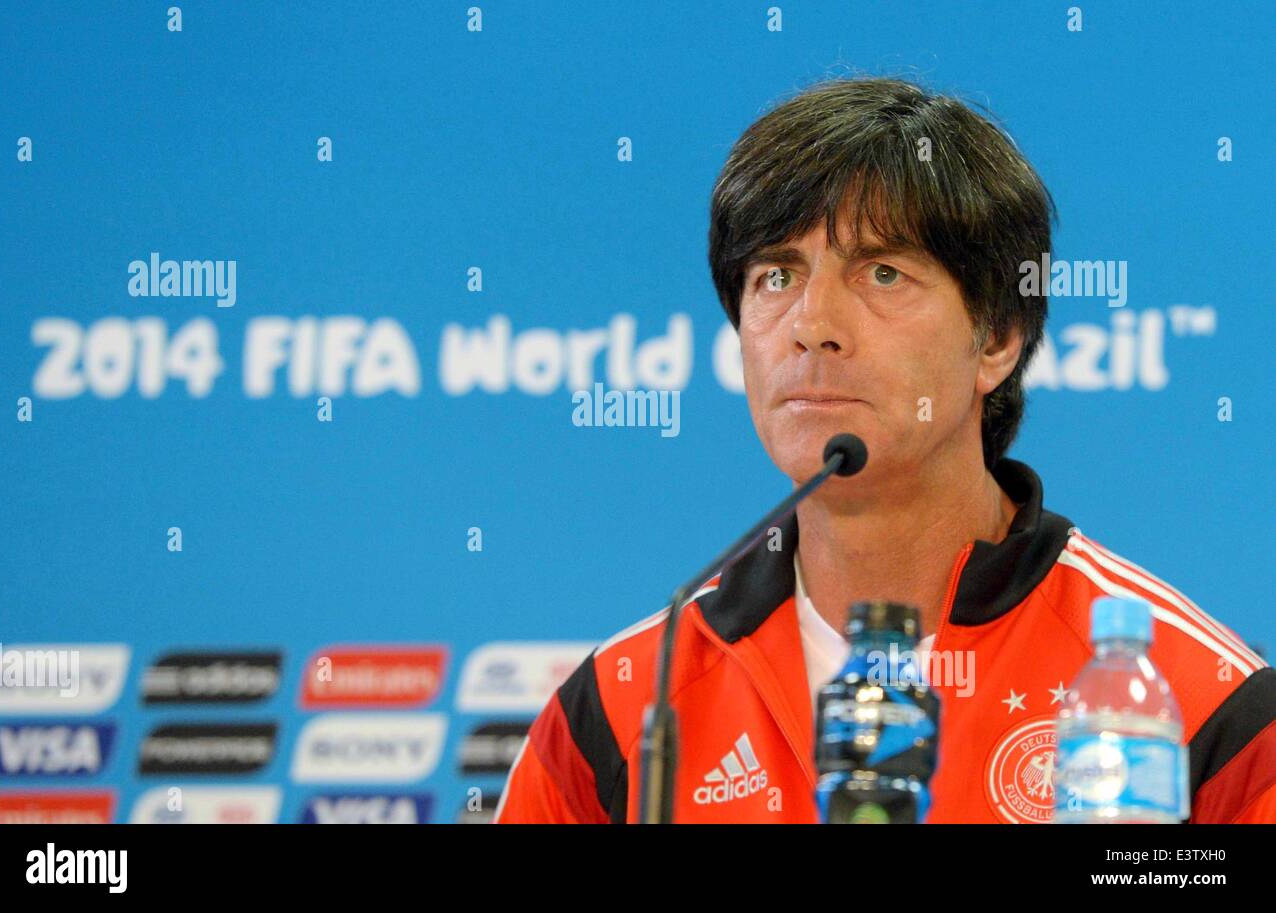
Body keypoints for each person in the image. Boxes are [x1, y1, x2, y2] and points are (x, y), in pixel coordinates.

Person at [495, 77, 1275, 823]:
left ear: (997, 337)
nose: (812, 323)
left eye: (882, 271)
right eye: (775, 275)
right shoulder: (624, 704)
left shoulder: (1200, 702)